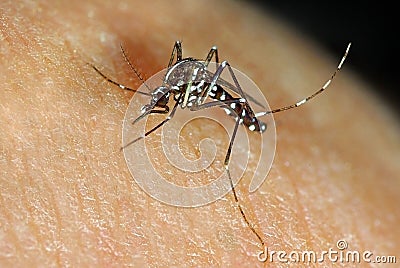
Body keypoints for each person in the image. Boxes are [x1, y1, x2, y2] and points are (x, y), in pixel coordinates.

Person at [1, 0, 398, 266]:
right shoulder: (167, 84)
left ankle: (240, 161)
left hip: (217, 93)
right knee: (186, 61)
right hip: (190, 81)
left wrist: (227, 105)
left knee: (212, 68)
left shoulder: (180, 89)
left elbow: (199, 73)